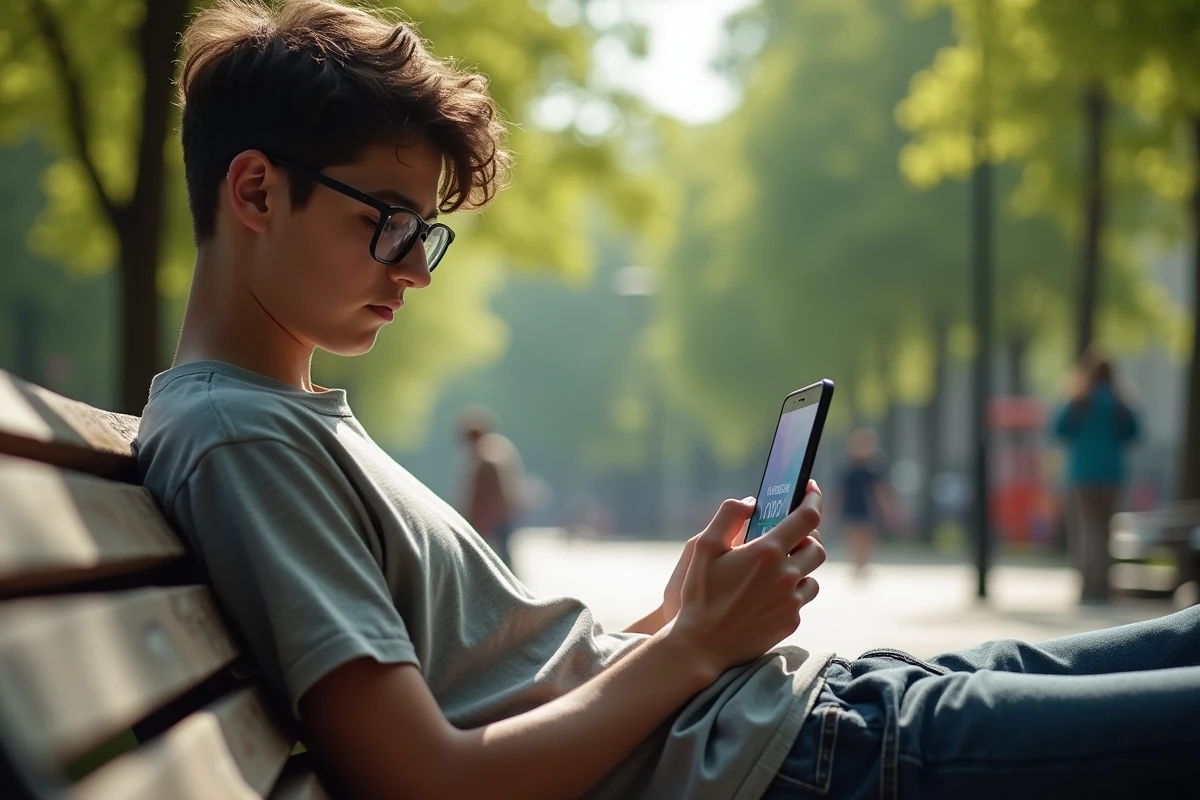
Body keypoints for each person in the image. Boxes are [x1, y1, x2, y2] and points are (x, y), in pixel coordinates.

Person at [134, 2, 1199, 798]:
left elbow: (509, 688)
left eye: (425, 233)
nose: (414, 267)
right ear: (257, 191)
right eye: (389, 222)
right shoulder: (239, 436)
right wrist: (691, 647)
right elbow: (429, 779)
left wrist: (679, 616)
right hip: (789, 755)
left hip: (785, 721)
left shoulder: (270, 420)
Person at [1052, 348, 1141, 604]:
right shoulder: (1119, 403)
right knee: (1106, 530)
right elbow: (1134, 432)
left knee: (1087, 530)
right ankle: (1104, 586)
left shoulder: (1079, 400)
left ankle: (1089, 586)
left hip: (1083, 474)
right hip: (1112, 474)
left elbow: (1058, 429)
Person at [458, 405, 524, 570]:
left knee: (493, 559)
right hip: (502, 514)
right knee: (503, 557)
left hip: (493, 517)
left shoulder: (485, 456)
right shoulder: (499, 447)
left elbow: (484, 492)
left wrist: (474, 516)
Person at [836, 428, 897, 578]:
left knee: (867, 537)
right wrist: (832, 511)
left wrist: (888, 511)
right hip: (851, 506)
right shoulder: (848, 470)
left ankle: (864, 562)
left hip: (868, 508)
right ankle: (856, 562)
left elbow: (881, 492)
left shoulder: (874, 471)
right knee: (854, 536)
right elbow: (840, 493)